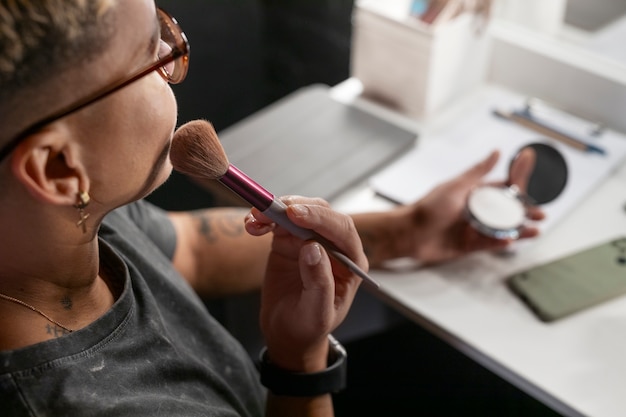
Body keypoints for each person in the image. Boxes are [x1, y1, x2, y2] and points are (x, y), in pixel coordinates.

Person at [0, 1, 543, 416]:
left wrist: (410, 229)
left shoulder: (59, 228)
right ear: (57, 169)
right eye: (154, 53)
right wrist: (301, 363)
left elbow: (190, 251)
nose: (177, 59)